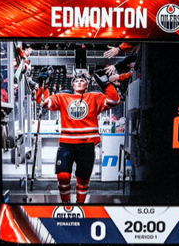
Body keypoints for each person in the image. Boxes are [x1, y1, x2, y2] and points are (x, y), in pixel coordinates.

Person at [36, 71, 122, 203]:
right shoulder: (62, 97)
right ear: (72, 85)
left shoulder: (95, 97)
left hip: (86, 144)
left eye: (82, 81)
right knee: (63, 176)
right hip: (67, 144)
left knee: (83, 179)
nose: (79, 82)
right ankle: (66, 203)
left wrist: (106, 85)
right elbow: (43, 102)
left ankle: (80, 204)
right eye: (76, 81)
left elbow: (114, 100)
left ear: (87, 84)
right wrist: (43, 86)